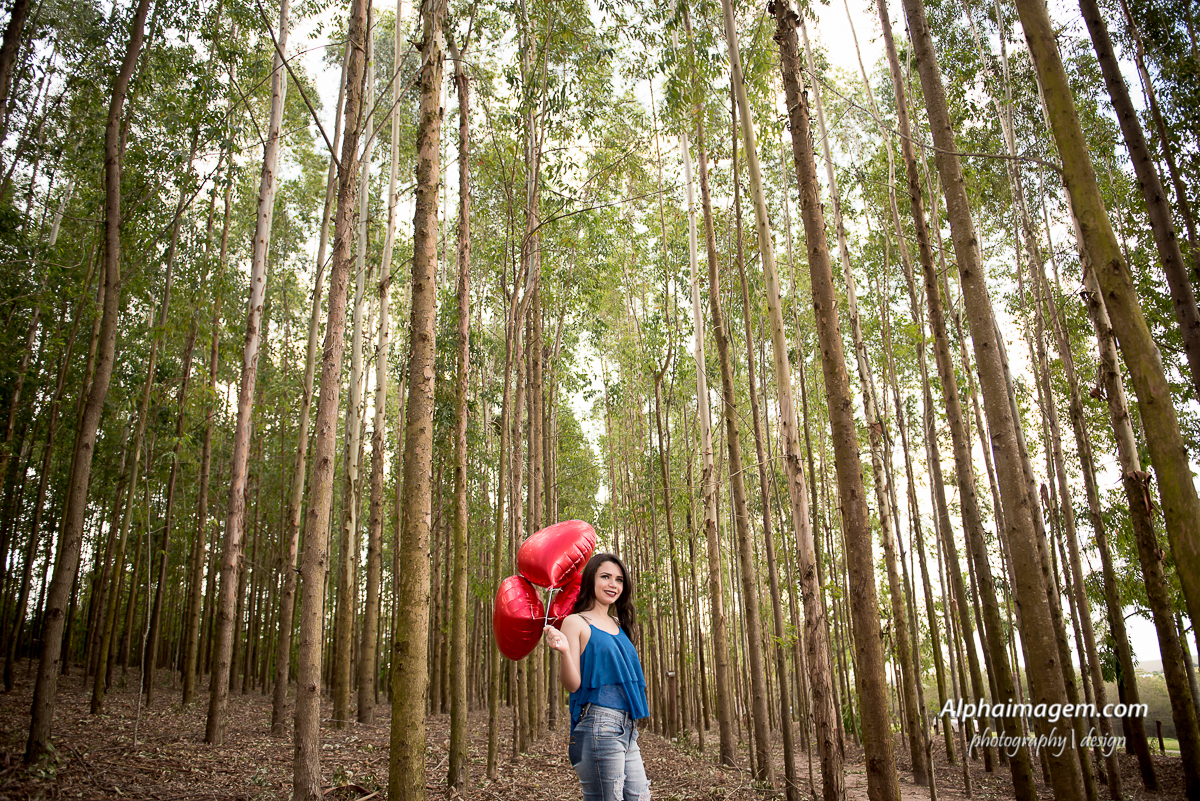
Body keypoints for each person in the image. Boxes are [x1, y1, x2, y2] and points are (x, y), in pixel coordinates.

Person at [543, 553, 651, 801]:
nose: (613, 584)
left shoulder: (618, 623)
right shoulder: (575, 622)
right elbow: (573, 684)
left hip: (628, 727)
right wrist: (564, 652)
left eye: (619, 579)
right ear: (590, 579)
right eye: (605, 577)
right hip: (599, 725)